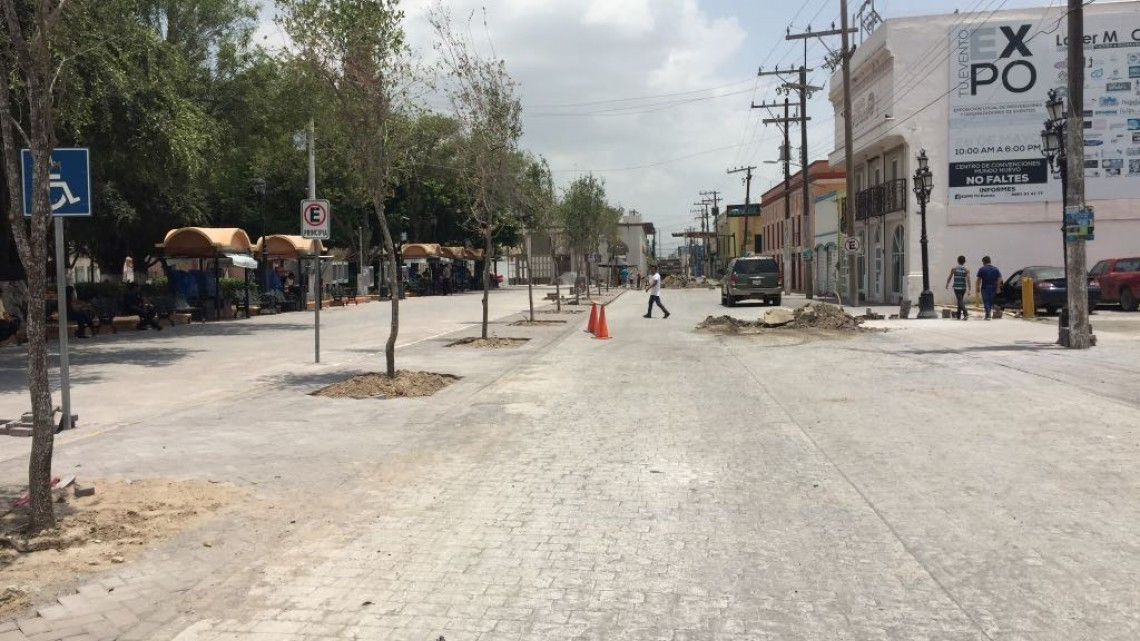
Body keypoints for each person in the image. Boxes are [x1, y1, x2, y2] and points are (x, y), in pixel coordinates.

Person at [975, 255, 1002, 320]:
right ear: (990, 261)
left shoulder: (982, 269)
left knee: (986, 301)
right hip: (993, 287)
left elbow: (979, 279)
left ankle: (988, 314)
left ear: (984, 262)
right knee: (990, 301)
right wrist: (998, 288)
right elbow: (999, 279)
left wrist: (977, 287)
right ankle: (988, 314)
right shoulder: (996, 269)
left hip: (985, 287)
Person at [944, 255, 971, 321]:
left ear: (958, 261)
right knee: (960, 300)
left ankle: (965, 313)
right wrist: (969, 289)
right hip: (963, 288)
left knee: (960, 300)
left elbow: (950, 277)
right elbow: (968, 279)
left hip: (956, 287)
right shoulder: (967, 269)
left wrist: (947, 284)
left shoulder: (954, 269)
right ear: (964, 261)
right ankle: (958, 315)